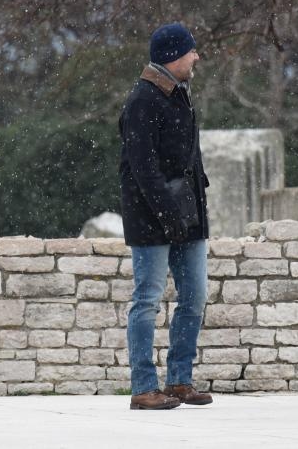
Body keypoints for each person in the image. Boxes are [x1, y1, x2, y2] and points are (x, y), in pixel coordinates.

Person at [119, 22, 212, 410]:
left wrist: (194, 205)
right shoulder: (143, 100)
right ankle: (144, 387)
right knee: (148, 301)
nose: (196, 57)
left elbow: (188, 158)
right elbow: (143, 169)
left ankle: (178, 381)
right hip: (151, 219)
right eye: (191, 51)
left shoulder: (178, 95)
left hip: (187, 216)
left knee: (194, 297)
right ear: (174, 56)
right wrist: (167, 214)